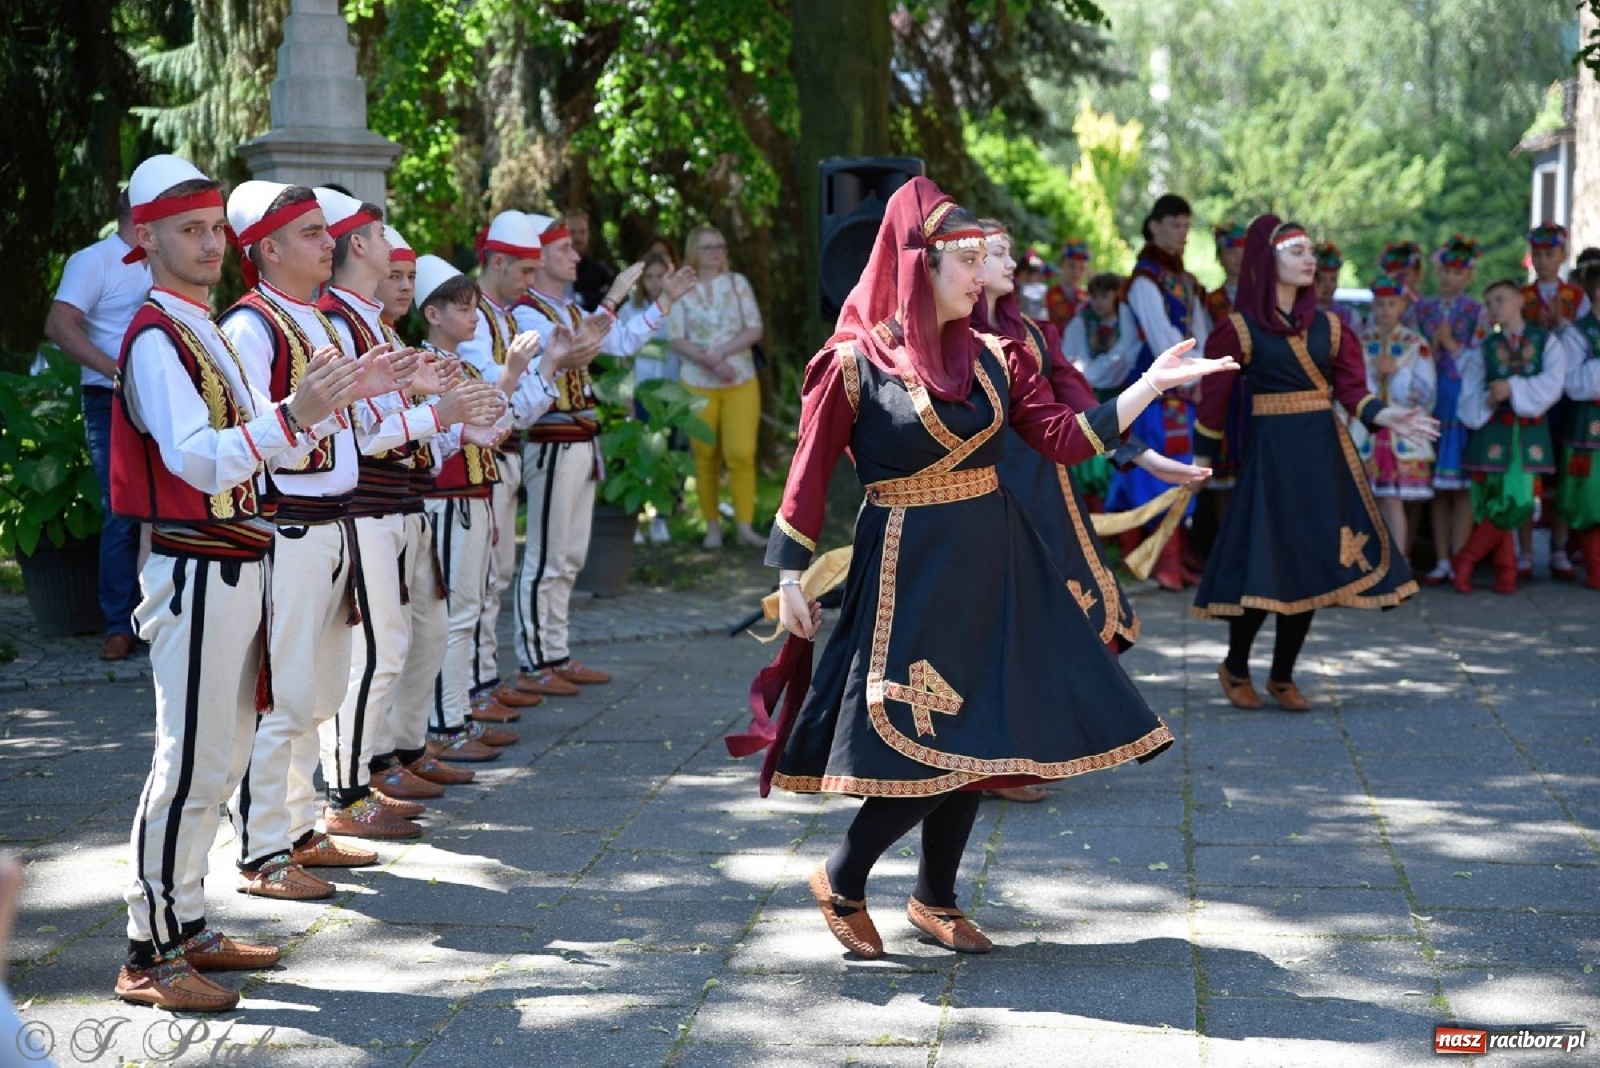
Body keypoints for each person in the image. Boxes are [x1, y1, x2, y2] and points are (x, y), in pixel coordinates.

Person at [756, 178, 1235, 959]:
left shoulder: (994, 358)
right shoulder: (852, 365)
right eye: (968, 258)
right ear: (921, 264)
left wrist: (1148, 387)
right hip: (909, 565)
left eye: (985, 257)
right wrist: (787, 578)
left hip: (995, 556)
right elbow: (807, 476)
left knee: (986, 732)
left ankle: (933, 897)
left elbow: (1062, 438)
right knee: (933, 731)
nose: (983, 273)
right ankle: (842, 876)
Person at [110, 154, 377, 1010]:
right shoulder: (158, 334)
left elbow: (271, 448)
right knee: (187, 759)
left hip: (234, 555)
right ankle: (147, 953)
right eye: (190, 231)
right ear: (142, 237)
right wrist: (297, 417)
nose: (208, 245)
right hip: (194, 562)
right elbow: (193, 455)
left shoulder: (199, 328)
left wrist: (319, 412)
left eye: (215, 228)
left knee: (219, 757)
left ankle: (187, 924)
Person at [218, 181, 401, 900]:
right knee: (283, 693)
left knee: (320, 687)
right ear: (267, 249)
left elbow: (342, 429)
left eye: (328, 232)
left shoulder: (316, 323)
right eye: (311, 234)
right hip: (287, 525)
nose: (330, 243)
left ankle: (297, 830)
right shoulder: (251, 328)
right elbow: (261, 444)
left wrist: (372, 397)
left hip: (333, 521)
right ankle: (263, 852)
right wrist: (333, 411)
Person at [315, 189, 503, 835]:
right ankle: (348, 788)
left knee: (418, 637)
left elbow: (395, 423)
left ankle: (395, 755)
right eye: (392, 264)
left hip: (402, 499)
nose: (402, 276)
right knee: (377, 651)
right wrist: (441, 415)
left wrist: (454, 427)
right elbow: (364, 432)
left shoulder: (368, 324)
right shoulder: (336, 321)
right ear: (359, 246)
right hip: (364, 505)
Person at [1193, 216, 1434, 713]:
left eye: (1311, 253)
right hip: (1271, 462)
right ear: (1269, 261)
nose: (1311, 261)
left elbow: (1353, 392)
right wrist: (1199, 465)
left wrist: (1392, 417)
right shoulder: (1238, 329)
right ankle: (1236, 666)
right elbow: (1212, 404)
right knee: (1267, 564)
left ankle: (1283, 675)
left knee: (1312, 562)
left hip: (1324, 455)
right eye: (1297, 251)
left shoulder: (1330, 327)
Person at [511, 213, 696, 695]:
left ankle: (556, 652)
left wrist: (665, 300)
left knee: (569, 556)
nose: (576, 256)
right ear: (541, 258)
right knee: (547, 555)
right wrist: (613, 298)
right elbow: (577, 352)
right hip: (552, 441)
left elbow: (623, 342)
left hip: (578, 439)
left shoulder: (568, 308)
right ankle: (536, 661)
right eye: (565, 250)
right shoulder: (526, 312)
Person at [412, 254, 562, 773]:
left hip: (473, 492)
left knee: (467, 611)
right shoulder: (425, 366)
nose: (473, 317)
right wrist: (515, 372)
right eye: (461, 308)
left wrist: (515, 376)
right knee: (452, 616)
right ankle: (444, 725)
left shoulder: (465, 365)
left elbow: (495, 418)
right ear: (432, 314)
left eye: (475, 307)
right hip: (450, 496)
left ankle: (456, 717)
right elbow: (456, 428)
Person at [43, 191, 151, 661]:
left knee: (165, 505)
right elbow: (58, 325)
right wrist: (115, 370)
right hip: (109, 398)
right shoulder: (93, 261)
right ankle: (118, 624)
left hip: (163, 395)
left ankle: (160, 619)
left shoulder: (170, 259)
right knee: (122, 509)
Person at [456, 211, 551, 713]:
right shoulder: (473, 318)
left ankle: (485, 676)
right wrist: (535, 373)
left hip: (501, 455)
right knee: (480, 578)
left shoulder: (505, 316)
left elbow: (520, 404)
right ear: (496, 263)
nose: (530, 283)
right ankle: (472, 686)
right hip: (476, 458)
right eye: (524, 272)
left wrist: (536, 375)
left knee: (497, 572)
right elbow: (498, 399)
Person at [1107, 194, 1212, 590]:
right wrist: (1192, 373)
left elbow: (1200, 332)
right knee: (1152, 474)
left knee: (1181, 471)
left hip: (1183, 392)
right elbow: (1159, 338)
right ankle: (1156, 560)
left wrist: (1199, 373)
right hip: (1152, 394)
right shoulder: (1144, 281)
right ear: (1153, 226)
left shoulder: (1186, 282)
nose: (1182, 233)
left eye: (1186, 225)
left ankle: (1174, 554)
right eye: (1174, 224)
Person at [1452, 279, 1567, 594]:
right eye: (1488, 303)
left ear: (1519, 300)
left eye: (1499, 300)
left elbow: (1554, 383)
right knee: (1493, 504)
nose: (1493, 308)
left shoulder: (1546, 341)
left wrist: (1513, 388)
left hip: (1528, 434)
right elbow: (1469, 391)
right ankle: (1506, 573)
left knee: (1519, 501)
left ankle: (1465, 559)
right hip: (1493, 432)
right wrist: (1487, 399)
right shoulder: (1485, 347)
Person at [667, 225, 766, 549]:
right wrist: (709, 361)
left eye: (720, 245)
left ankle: (744, 526)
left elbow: (755, 328)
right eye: (709, 247)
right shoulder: (681, 288)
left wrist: (721, 354)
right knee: (704, 455)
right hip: (697, 383)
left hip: (739, 379)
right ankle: (711, 527)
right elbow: (675, 337)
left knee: (741, 454)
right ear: (694, 250)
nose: (716, 252)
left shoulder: (738, 284)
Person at [1411, 236, 1488, 585]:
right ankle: (1441, 559)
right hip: (1430, 400)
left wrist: (1451, 344)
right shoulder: (1420, 309)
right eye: (1444, 269)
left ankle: (1461, 557)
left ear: (1468, 276)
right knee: (1437, 490)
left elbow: (1481, 359)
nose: (1449, 277)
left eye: (1457, 272)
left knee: (1460, 487)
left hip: (1460, 400)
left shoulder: (1476, 311)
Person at [1522, 221, 1589, 578]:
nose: (1544, 260)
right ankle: (1527, 551)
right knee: (1533, 473)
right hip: (1535, 395)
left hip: (1567, 396)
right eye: (1538, 254)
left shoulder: (1578, 299)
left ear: (1563, 255)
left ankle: (1561, 549)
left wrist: (1562, 327)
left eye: (1550, 253)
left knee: (1564, 472)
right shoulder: (1522, 297)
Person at [1357, 274, 1436, 557]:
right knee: (1369, 500)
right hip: (1368, 431)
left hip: (1401, 430)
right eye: (1380, 304)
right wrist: (1375, 379)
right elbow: (1353, 388)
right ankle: (1373, 562)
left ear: (1402, 306)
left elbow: (1426, 393)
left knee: (1392, 500)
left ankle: (1398, 563)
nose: (1385, 310)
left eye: (1391, 304)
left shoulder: (1415, 342)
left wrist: (1397, 374)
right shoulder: (1362, 341)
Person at [622, 250, 680, 544]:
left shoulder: (678, 308)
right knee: (641, 455)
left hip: (669, 391)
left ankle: (661, 518)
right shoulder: (630, 310)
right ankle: (635, 521)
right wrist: (625, 396)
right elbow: (623, 356)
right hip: (641, 391)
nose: (656, 282)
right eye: (650, 276)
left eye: (661, 276)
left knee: (665, 455)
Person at [1561, 261, 1600, 588]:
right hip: (1588, 428)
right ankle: (1594, 565)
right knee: (1588, 498)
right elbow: (1573, 384)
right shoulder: (1578, 332)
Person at [566, 207, 617, 312]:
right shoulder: (554, 267)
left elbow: (613, 296)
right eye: (572, 232)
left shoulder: (599, 269)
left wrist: (581, 298)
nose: (578, 237)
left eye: (583, 231)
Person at [1312, 242, 1363, 334]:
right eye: (1322, 279)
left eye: (1333, 279)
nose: (1328, 285)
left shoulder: (1350, 316)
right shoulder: (1302, 313)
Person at [1044, 240, 1090, 331]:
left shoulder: (1088, 297)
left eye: (1082, 268)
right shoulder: (1047, 295)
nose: (1077, 272)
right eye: (1071, 266)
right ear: (1061, 266)